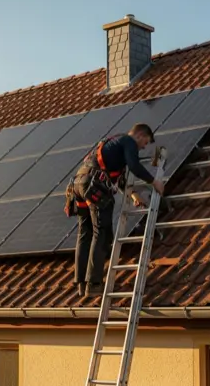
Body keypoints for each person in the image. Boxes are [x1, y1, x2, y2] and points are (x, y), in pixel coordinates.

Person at [71, 123, 165, 297]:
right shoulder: (128, 141)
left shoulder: (113, 144)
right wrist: (155, 182)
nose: (143, 147)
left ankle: (81, 283)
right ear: (140, 135)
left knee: (85, 233)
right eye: (145, 142)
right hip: (94, 187)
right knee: (102, 232)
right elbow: (134, 166)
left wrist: (133, 195)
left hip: (79, 185)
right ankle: (94, 284)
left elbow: (117, 177)